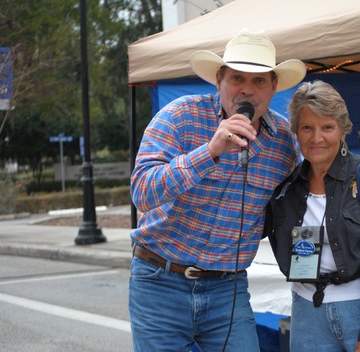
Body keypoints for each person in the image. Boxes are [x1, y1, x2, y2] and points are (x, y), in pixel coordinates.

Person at [128, 28, 306, 352]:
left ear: (274, 86)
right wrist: (208, 152)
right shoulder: (180, 116)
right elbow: (142, 191)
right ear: (219, 80)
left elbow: (305, 204)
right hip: (160, 280)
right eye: (237, 78)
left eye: (259, 81)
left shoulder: (284, 143)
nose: (247, 91)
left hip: (228, 288)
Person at [264, 80, 360, 351]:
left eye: (327, 127)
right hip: (308, 314)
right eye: (307, 127)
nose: (316, 137)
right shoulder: (287, 187)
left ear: (343, 131)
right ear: (296, 132)